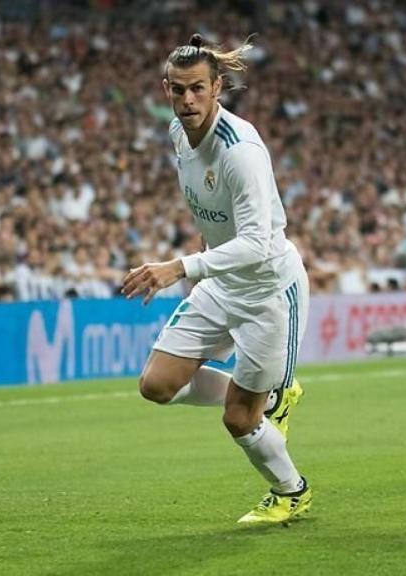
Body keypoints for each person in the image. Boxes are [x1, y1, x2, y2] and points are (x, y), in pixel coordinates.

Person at [121, 34, 311, 524]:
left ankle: (290, 492)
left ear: (217, 87)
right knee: (156, 385)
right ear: (166, 89)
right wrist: (204, 254)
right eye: (178, 89)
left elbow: (259, 243)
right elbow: (213, 210)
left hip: (269, 292)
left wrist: (180, 266)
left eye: (198, 89)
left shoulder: (241, 150)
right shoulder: (177, 133)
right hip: (222, 284)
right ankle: (270, 394)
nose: (188, 100)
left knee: (239, 420)